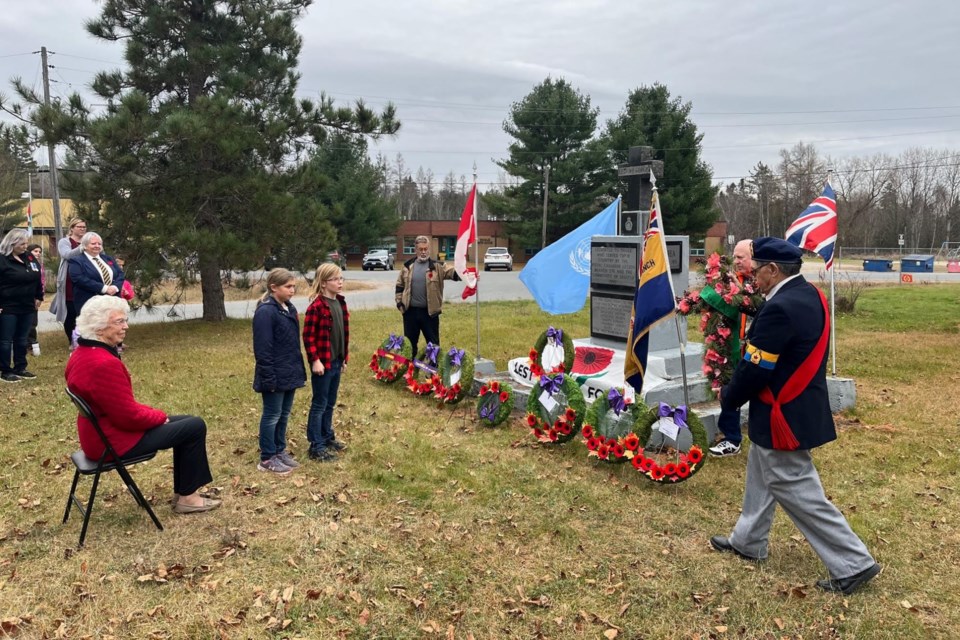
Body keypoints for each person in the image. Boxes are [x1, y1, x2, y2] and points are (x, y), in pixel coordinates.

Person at [710, 237, 880, 595]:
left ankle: (853, 562)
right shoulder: (809, 294)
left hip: (781, 412)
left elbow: (755, 369)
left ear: (773, 270)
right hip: (800, 403)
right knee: (761, 469)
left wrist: (728, 397)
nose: (751, 278)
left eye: (756, 271)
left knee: (795, 485)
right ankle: (748, 541)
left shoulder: (780, 309)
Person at [64, 296, 220, 514]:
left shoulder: (81, 353)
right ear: (99, 327)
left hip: (98, 436)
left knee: (187, 422)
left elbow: (119, 406)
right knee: (195, 426)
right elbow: (128, 417)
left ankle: (185, 492)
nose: (126, 326)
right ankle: (188, 499)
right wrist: (159, 416)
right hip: (112, 442)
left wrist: (156, 414)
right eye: (119, 322)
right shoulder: (103, 363)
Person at [252, 268, 306, 475]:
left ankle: (279, 450)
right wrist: (268, 377)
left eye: (294, 286)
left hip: (289, 371)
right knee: (272, 415)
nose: (292, 290)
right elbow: (263, 349)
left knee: (283, 414)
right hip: (273, 373)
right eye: (288, 286)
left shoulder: (288, 308)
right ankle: (267, 458)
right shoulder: (266, 312)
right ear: (274, 287)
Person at [709, 239, 758, 457]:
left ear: (754, 259)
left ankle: (761, 436)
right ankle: (731, 439)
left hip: (757, 348)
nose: (736, 261)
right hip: (731, 348)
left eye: (741, 257)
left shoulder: (763, 282)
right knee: (729, 390)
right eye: (735, 257)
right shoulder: (729, 281)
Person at [302, 263, 349, 462]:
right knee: (320, 403)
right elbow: (308, 337)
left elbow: (342, 333)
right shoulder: (316, 307)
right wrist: (315, 360)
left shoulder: (340, 302)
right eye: (335, 279)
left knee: (330, 402)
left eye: (341, 278)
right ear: (323, 283)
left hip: (336, 361)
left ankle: (327, 436)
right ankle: (316, 445)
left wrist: (343, 358)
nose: (340, 282)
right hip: (323, 364)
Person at [394, 235, 459, 355]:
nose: (423, 252)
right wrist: (400, 304)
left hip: (430, 314)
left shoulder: (437, 266)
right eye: (421, 249)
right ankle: (410, 370)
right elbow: (399, 285)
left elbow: (453, 273)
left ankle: (433, 371)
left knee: (433, 346)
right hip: (410, 313)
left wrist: (467, 274)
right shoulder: (407, 266)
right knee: (409, 345)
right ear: (416, 250)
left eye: (426, 249)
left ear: (429, 249)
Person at [0, 229, 44, 382]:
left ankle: (20, 367)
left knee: (22, 338)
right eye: (22, 243)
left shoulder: (29, 257)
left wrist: (39, 295)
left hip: (27, 304)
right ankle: (5, 370)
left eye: (26, 243)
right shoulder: (2, 259)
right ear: (12, 243)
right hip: (7, 305)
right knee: (6, 339)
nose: (25, 246)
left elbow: (37, 276)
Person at [67, 231, 126, 316]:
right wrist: (104, 289)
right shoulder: (76, 261)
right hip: (90, 303)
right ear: (85, 245)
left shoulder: (108, 259)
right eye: (93, 244)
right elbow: (79, 279)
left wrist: (115, 287)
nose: (97, 246)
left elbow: (120, 274)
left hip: (113, 301)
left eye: (99, 244)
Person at [50, 218, 87, 346]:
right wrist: (83, 247)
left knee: (85, 312)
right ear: (72, 228)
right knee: (70, 313)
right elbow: (67, 255)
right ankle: (72, 340)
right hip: (69, 281)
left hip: (86, 280)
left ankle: (86, 340)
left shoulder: (90, 242)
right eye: (79, 226)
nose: (82, 229)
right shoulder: (64, 242)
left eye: (84, 227)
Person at [25, 243, 46, 357]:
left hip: (37, 296)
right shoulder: (26, 264)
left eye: (39, 252)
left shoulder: (40, 265)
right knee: (26, 322)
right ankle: (26, 344)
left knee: (33, 322)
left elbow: (43, 282)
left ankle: (31, 344)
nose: (38, 254)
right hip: (27, 296)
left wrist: (40, 296)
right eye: (35, 251)